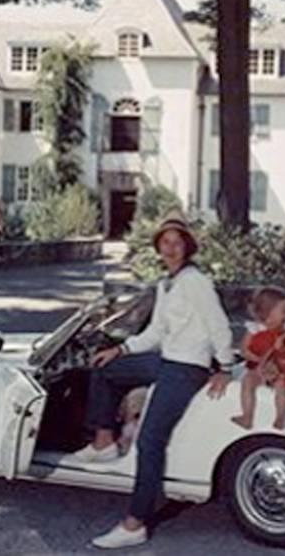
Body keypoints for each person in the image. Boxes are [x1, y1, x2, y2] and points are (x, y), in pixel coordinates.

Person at [75, 210, 234, 550]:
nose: (171, 248)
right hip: (165, 360)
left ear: (187, 247)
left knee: (150, 440)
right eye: (165, 242)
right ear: (158, 247)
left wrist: (224, 366)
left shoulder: (196, 281)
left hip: (187, 368)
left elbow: (218, 324)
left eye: (177, 243)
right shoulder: (166, 284)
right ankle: (103, 443)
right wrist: (121, 350)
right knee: (104, 369)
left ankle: (135, 523)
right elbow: (156, 332)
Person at [231, 287, 285, 431]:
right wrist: (259, 359)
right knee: (248, 383)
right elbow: (244, 350)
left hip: (277, 366)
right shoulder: (255, 328)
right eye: (283, 311)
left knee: (281, 385)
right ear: (268, 313)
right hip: (257, 367)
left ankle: (281, 417)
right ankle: (247, 416)